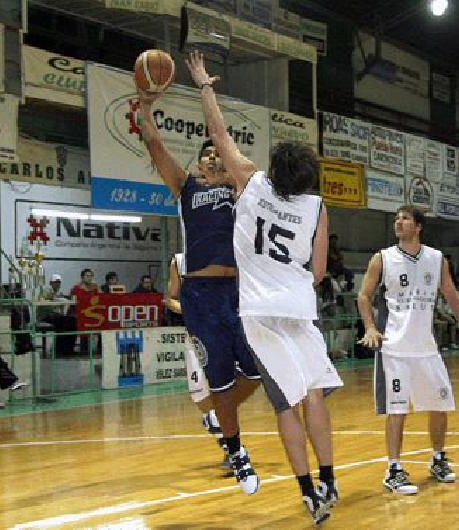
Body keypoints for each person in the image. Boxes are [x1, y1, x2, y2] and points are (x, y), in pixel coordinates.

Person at [185, 49, 343, 524]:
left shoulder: (251, 184)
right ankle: (330, 481)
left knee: (284, 405)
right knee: (313, 395)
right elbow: (317, 273)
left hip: (259, 313)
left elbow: (218, 135)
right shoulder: (317, 208)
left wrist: (205, 86)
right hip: (299, 307)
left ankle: (307, 493)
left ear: (274, 168)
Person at [137, 65, 262, 495]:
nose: (212, 156)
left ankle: (214, 414)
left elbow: (222, 133)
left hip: (238, 293)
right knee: (223, 379)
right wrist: (148, 108)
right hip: (202, 296)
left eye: (217, 154)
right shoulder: (187, 187)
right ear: (197, 162)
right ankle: (237, 451)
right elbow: (154, 145)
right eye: (205, 154)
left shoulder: (243, 188)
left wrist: (207, 88)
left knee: (256, 372)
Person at [357, 205, 459, 495]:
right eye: (396, 219)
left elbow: (451, 292)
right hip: (394, 349)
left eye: (404, 218)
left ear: (418, 226)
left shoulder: (436, 258)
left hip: (426, 349)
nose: (398, 223)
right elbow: (364, 296)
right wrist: (369, 327)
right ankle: (393, 468)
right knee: (397, 410)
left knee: (440, 405)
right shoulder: (382, 258)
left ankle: (438, 459)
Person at [166, 253, 259, 471]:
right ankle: (223, 430)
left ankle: (230, 445)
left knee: (245, 379)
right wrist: (191, 309)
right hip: (199, 331)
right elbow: (170, 298)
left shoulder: (228, 255)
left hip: (229, 327)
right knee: (201, 398)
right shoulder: (179, 261)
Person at [70, 269, 100, 354]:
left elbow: (102, 298)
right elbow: (73, 303)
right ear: (82, 277)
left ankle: (100, 349)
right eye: (87, 276)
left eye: (91, 276)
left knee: (103, 321)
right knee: (83, 322)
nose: (89, 278)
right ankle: (84, 350)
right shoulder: (76, 288)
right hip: (80, 313)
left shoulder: (95, 288)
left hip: (93, 313)